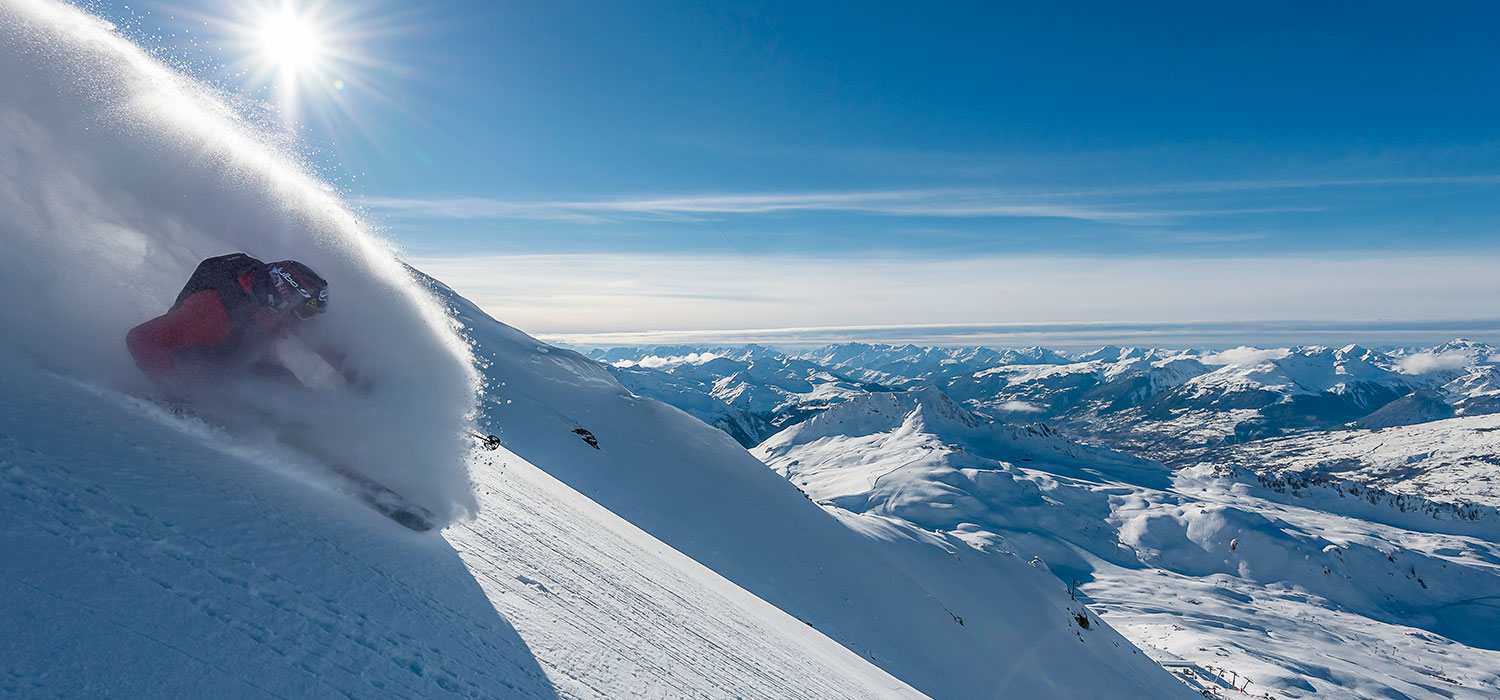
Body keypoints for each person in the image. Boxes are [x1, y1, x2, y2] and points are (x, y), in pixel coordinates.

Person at [127, 253, 334, 397]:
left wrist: (355, 376)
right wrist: (178, 394)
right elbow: (141, 339)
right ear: (278, 300)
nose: (309, 321)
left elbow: (319, 341)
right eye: (305, 313)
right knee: (269, 388)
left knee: (283, 382)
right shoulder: (211, 314)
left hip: (238, 362)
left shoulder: (272, 309)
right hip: (199, 373)